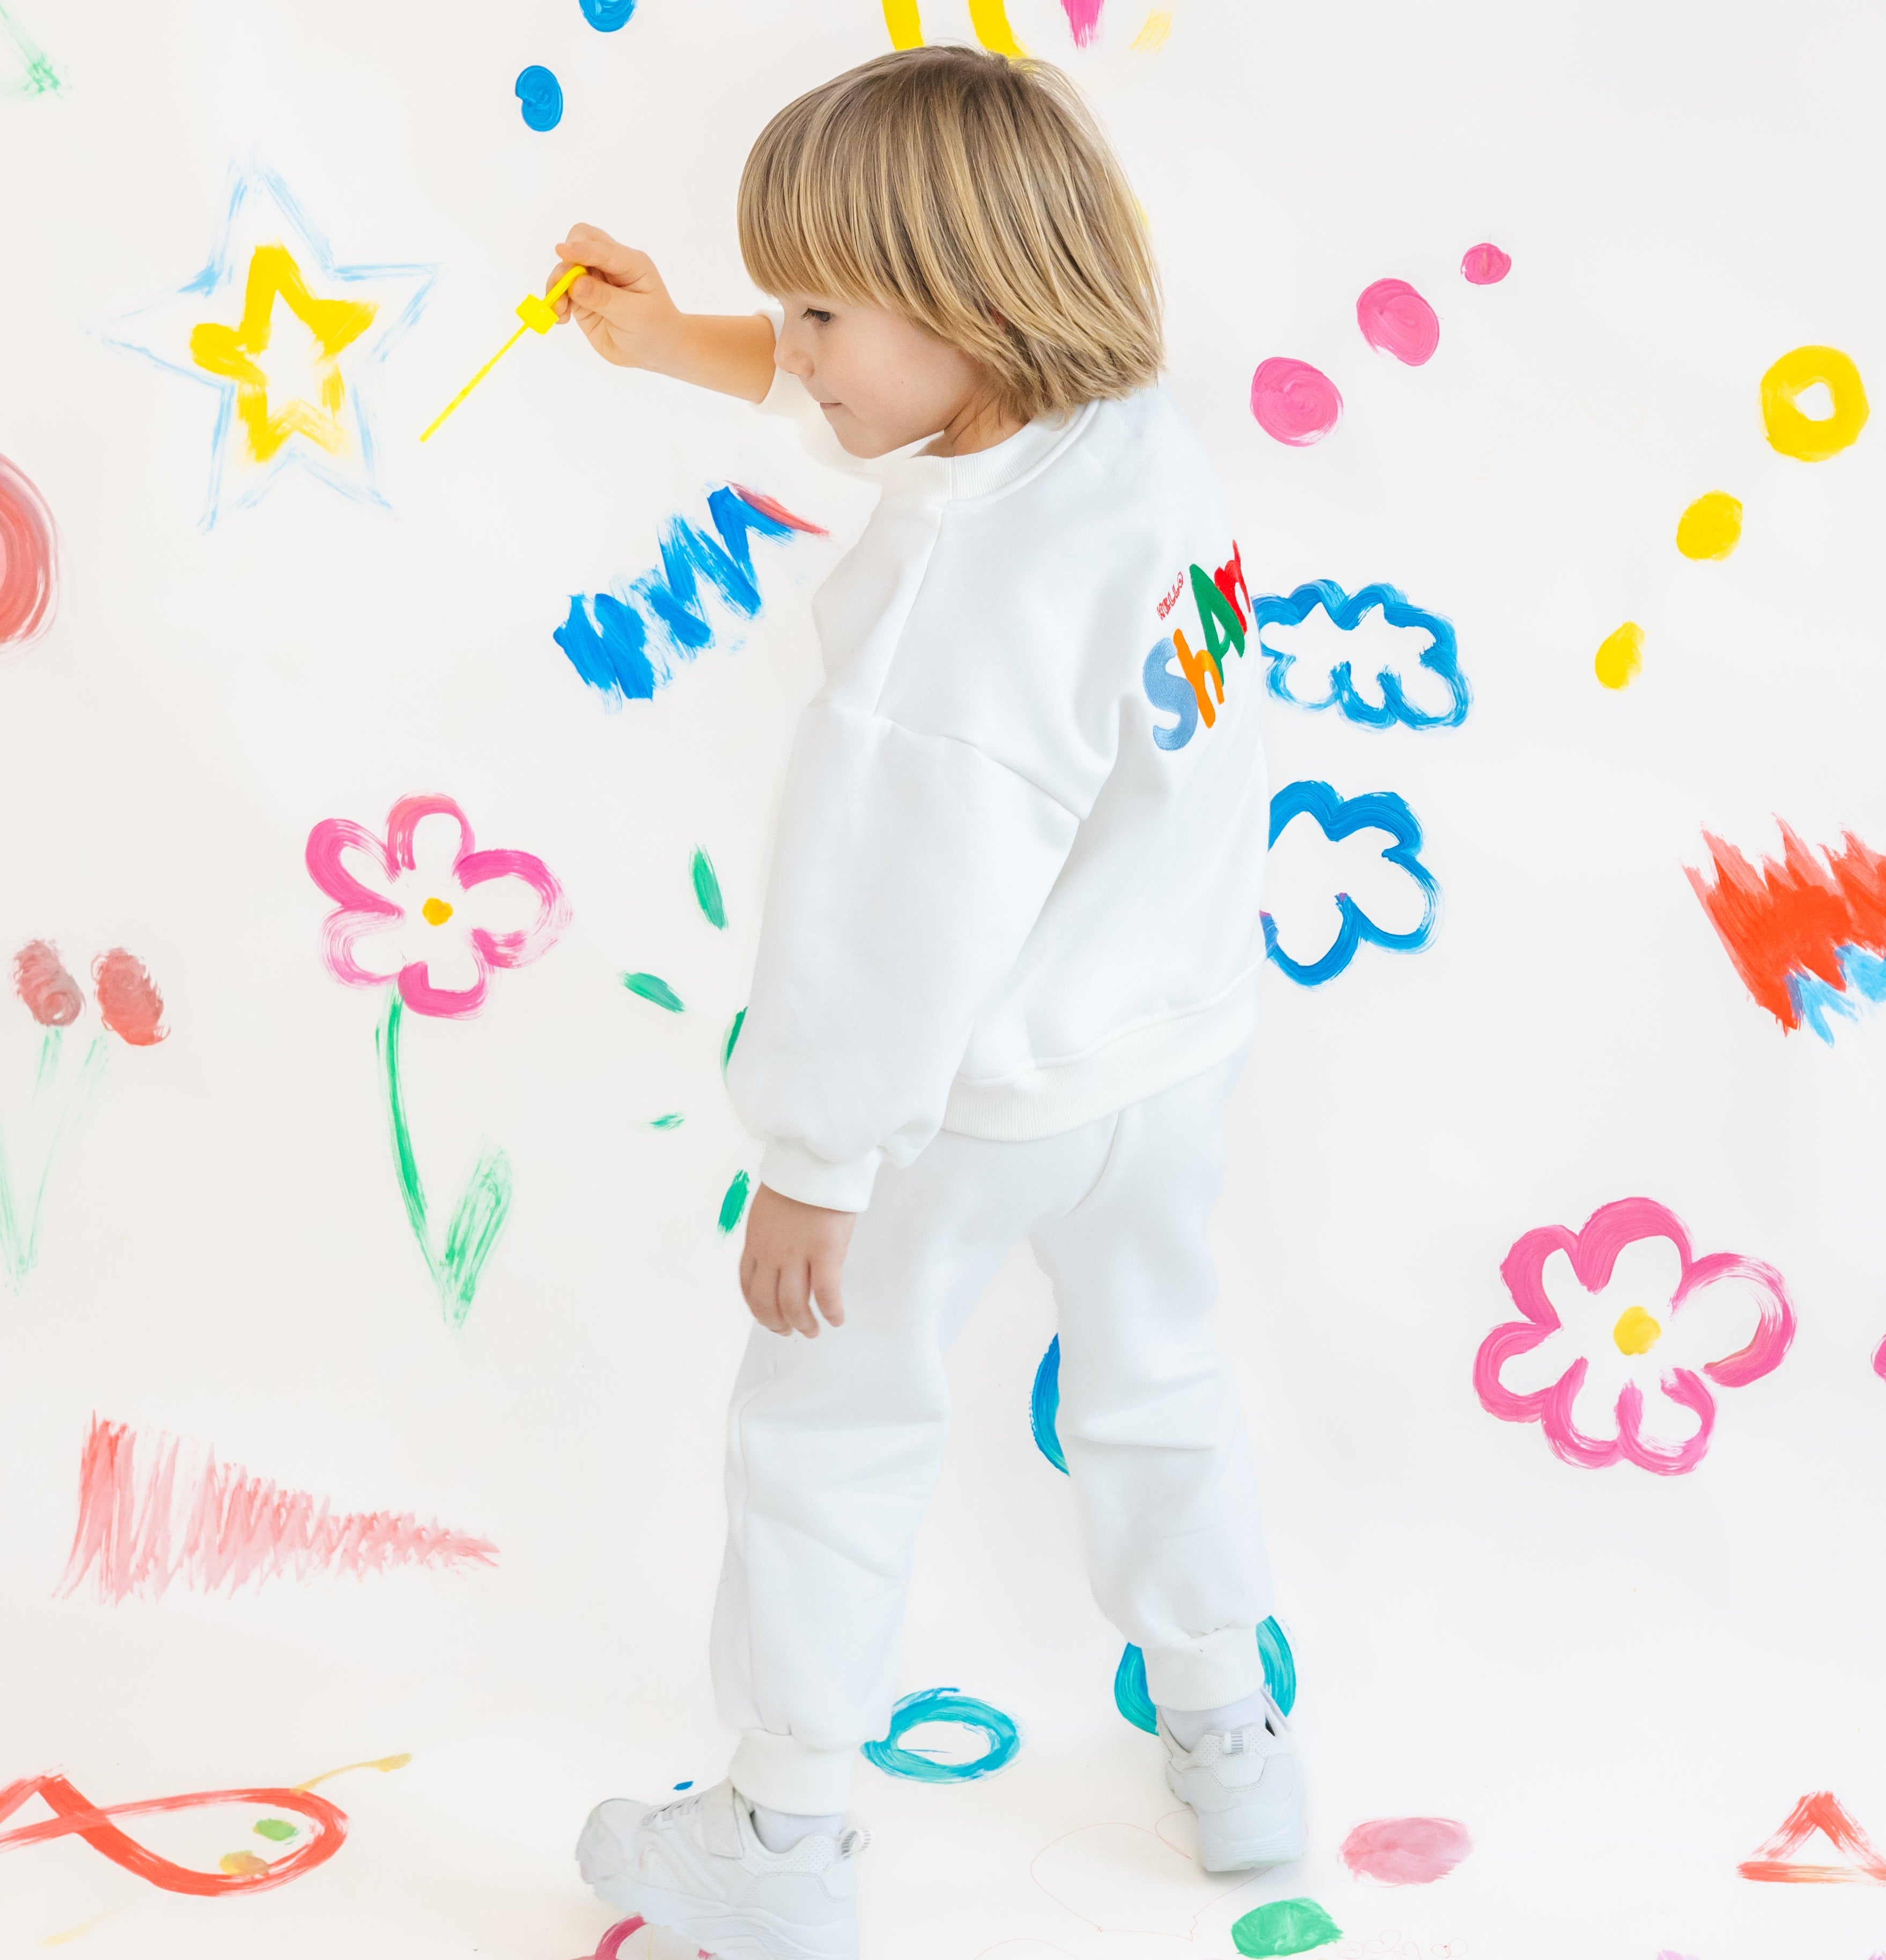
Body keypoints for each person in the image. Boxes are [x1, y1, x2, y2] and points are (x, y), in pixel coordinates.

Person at [553, 43, 1294, 1960]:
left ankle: (782, 1839)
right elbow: (901, 399)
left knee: (826, 1426)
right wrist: (675, 349)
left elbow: (883, 915)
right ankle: (1232, 1733)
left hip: (963, 1103)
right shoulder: (1133, 439)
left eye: (814, 313)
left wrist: (815, 1153)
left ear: (971, 308)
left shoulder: (949, 631)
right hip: (1166, 1053)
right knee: (1157, 1383)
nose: (791, 354)